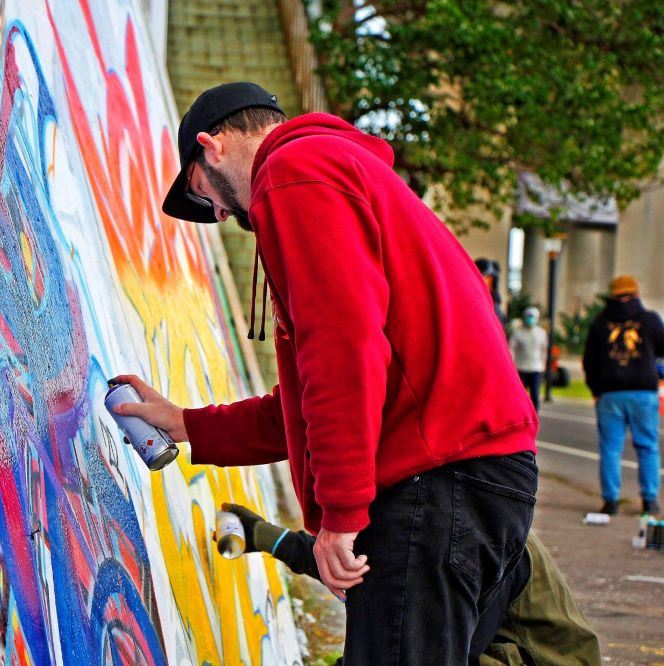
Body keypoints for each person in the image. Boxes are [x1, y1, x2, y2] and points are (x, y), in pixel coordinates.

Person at [113, 82, 539, 664]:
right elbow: (309, 399)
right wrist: (186, 423)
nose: (217, 212)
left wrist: (341, 516)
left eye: (201, 192)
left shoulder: (293, 172)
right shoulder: (338, 172)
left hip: (435, 481)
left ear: (212, 147)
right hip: (474, 475)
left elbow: (343, 352)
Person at [220, 503, 601, 666]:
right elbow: (370, 571)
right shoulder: (435, 514)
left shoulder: (467, 534)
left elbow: (434, 646)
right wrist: (268, 538)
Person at [582, 274, 664, 516]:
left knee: (610, 448)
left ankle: (611, 501)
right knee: (647, 446)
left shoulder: (599, 323)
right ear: (636, 293)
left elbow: (589, 361)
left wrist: (596, 391)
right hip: (643, 392)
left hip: (609, 394)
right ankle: (649, 501)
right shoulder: (649, 320)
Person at [509, 306, 548, 411]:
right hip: (521, 368)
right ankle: (519, 414)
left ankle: (534, 415)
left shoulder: (542, 333)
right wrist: (512, 364)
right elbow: (511, 348)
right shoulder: (518, 333)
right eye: (528, 316)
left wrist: (543, 364)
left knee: (535, 394)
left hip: (536, 368)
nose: (530, 319)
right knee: (519, 395)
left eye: (532, 316)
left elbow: (544, 350)